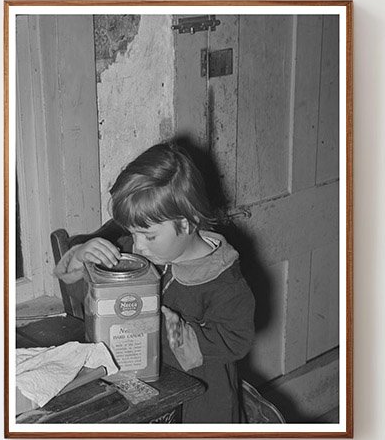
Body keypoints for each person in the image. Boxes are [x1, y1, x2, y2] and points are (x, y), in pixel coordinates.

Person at [54, 141, 255, 423]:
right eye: (132, 233)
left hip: (199, 404)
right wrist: (80, 257)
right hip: (139, 392)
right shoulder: (137, 254)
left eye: (148, 236)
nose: (137, 246)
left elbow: (238, 339)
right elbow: (86, 296)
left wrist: (182, 335)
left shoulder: (222, 279)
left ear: (186, 223)